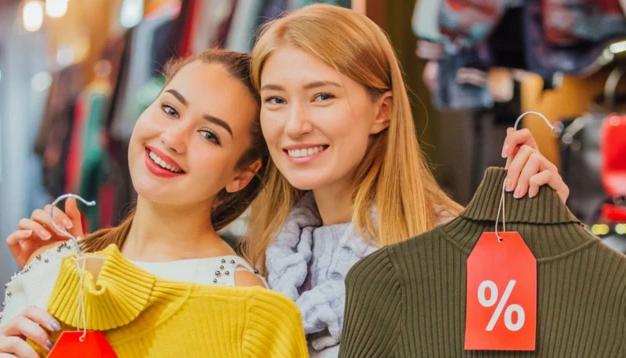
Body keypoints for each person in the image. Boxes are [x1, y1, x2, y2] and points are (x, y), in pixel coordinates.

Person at [241, 4, 571, 357]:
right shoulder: (265, 262)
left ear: (381, 112)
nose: (294, 125)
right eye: (276, 99)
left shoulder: (459, 250)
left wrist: (555, 247)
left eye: (323, 96)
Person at [0, 49, 270, 358]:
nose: (173, 138)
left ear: (242, 175)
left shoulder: (243, 302)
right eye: (170, 109)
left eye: (208, 134)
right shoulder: (63, 267)